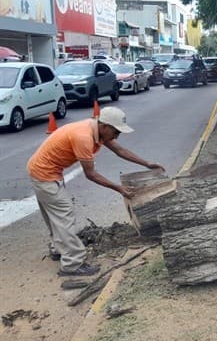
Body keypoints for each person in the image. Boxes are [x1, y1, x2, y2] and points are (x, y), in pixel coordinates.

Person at [27, 107, 164, 276]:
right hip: (45, 175)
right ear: (105, 126)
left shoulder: (96, 129)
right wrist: (119, 188)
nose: (116, 136)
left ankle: (58, 249)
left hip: (42, 171)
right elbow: (90, 175)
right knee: (64, 216)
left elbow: (120, 150)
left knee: (55, 216)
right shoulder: (83, 137)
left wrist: (146, 163)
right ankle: (72, 264)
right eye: (116, 132)